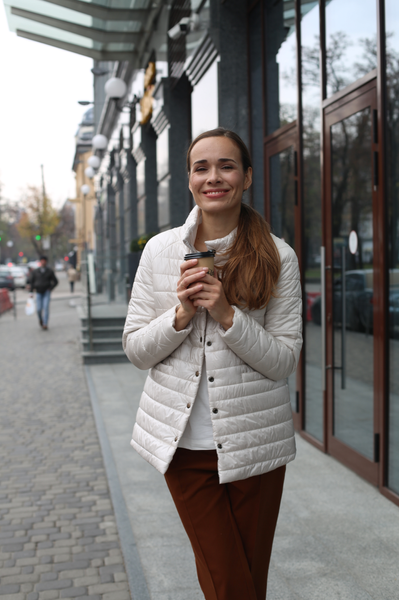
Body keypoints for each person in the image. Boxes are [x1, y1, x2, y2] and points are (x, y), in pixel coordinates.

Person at [122, 128, 302, 600]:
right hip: (183, 448)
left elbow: (283, 361)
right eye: (201, 167)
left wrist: (227, 316)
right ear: (189, 180)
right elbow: (137, 349)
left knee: (242, 581)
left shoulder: (278, 256)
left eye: (226, 166)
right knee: (230, 583)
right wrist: (180, 315)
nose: (213, 177)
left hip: (255, 445)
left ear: (245, 177)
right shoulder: (160, 252)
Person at [29, 256, 58, 330]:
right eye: (42, 261)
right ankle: (40, 319)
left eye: (44, 261)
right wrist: (31, 292)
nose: (43, 262)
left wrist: (50, 288)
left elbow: (55, 281)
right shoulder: (36, 272)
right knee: (38, 309)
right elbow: (32, 282)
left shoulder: (49, 271)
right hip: (38, 292)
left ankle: (45, 323)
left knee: (46, 307)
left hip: (46, 292)